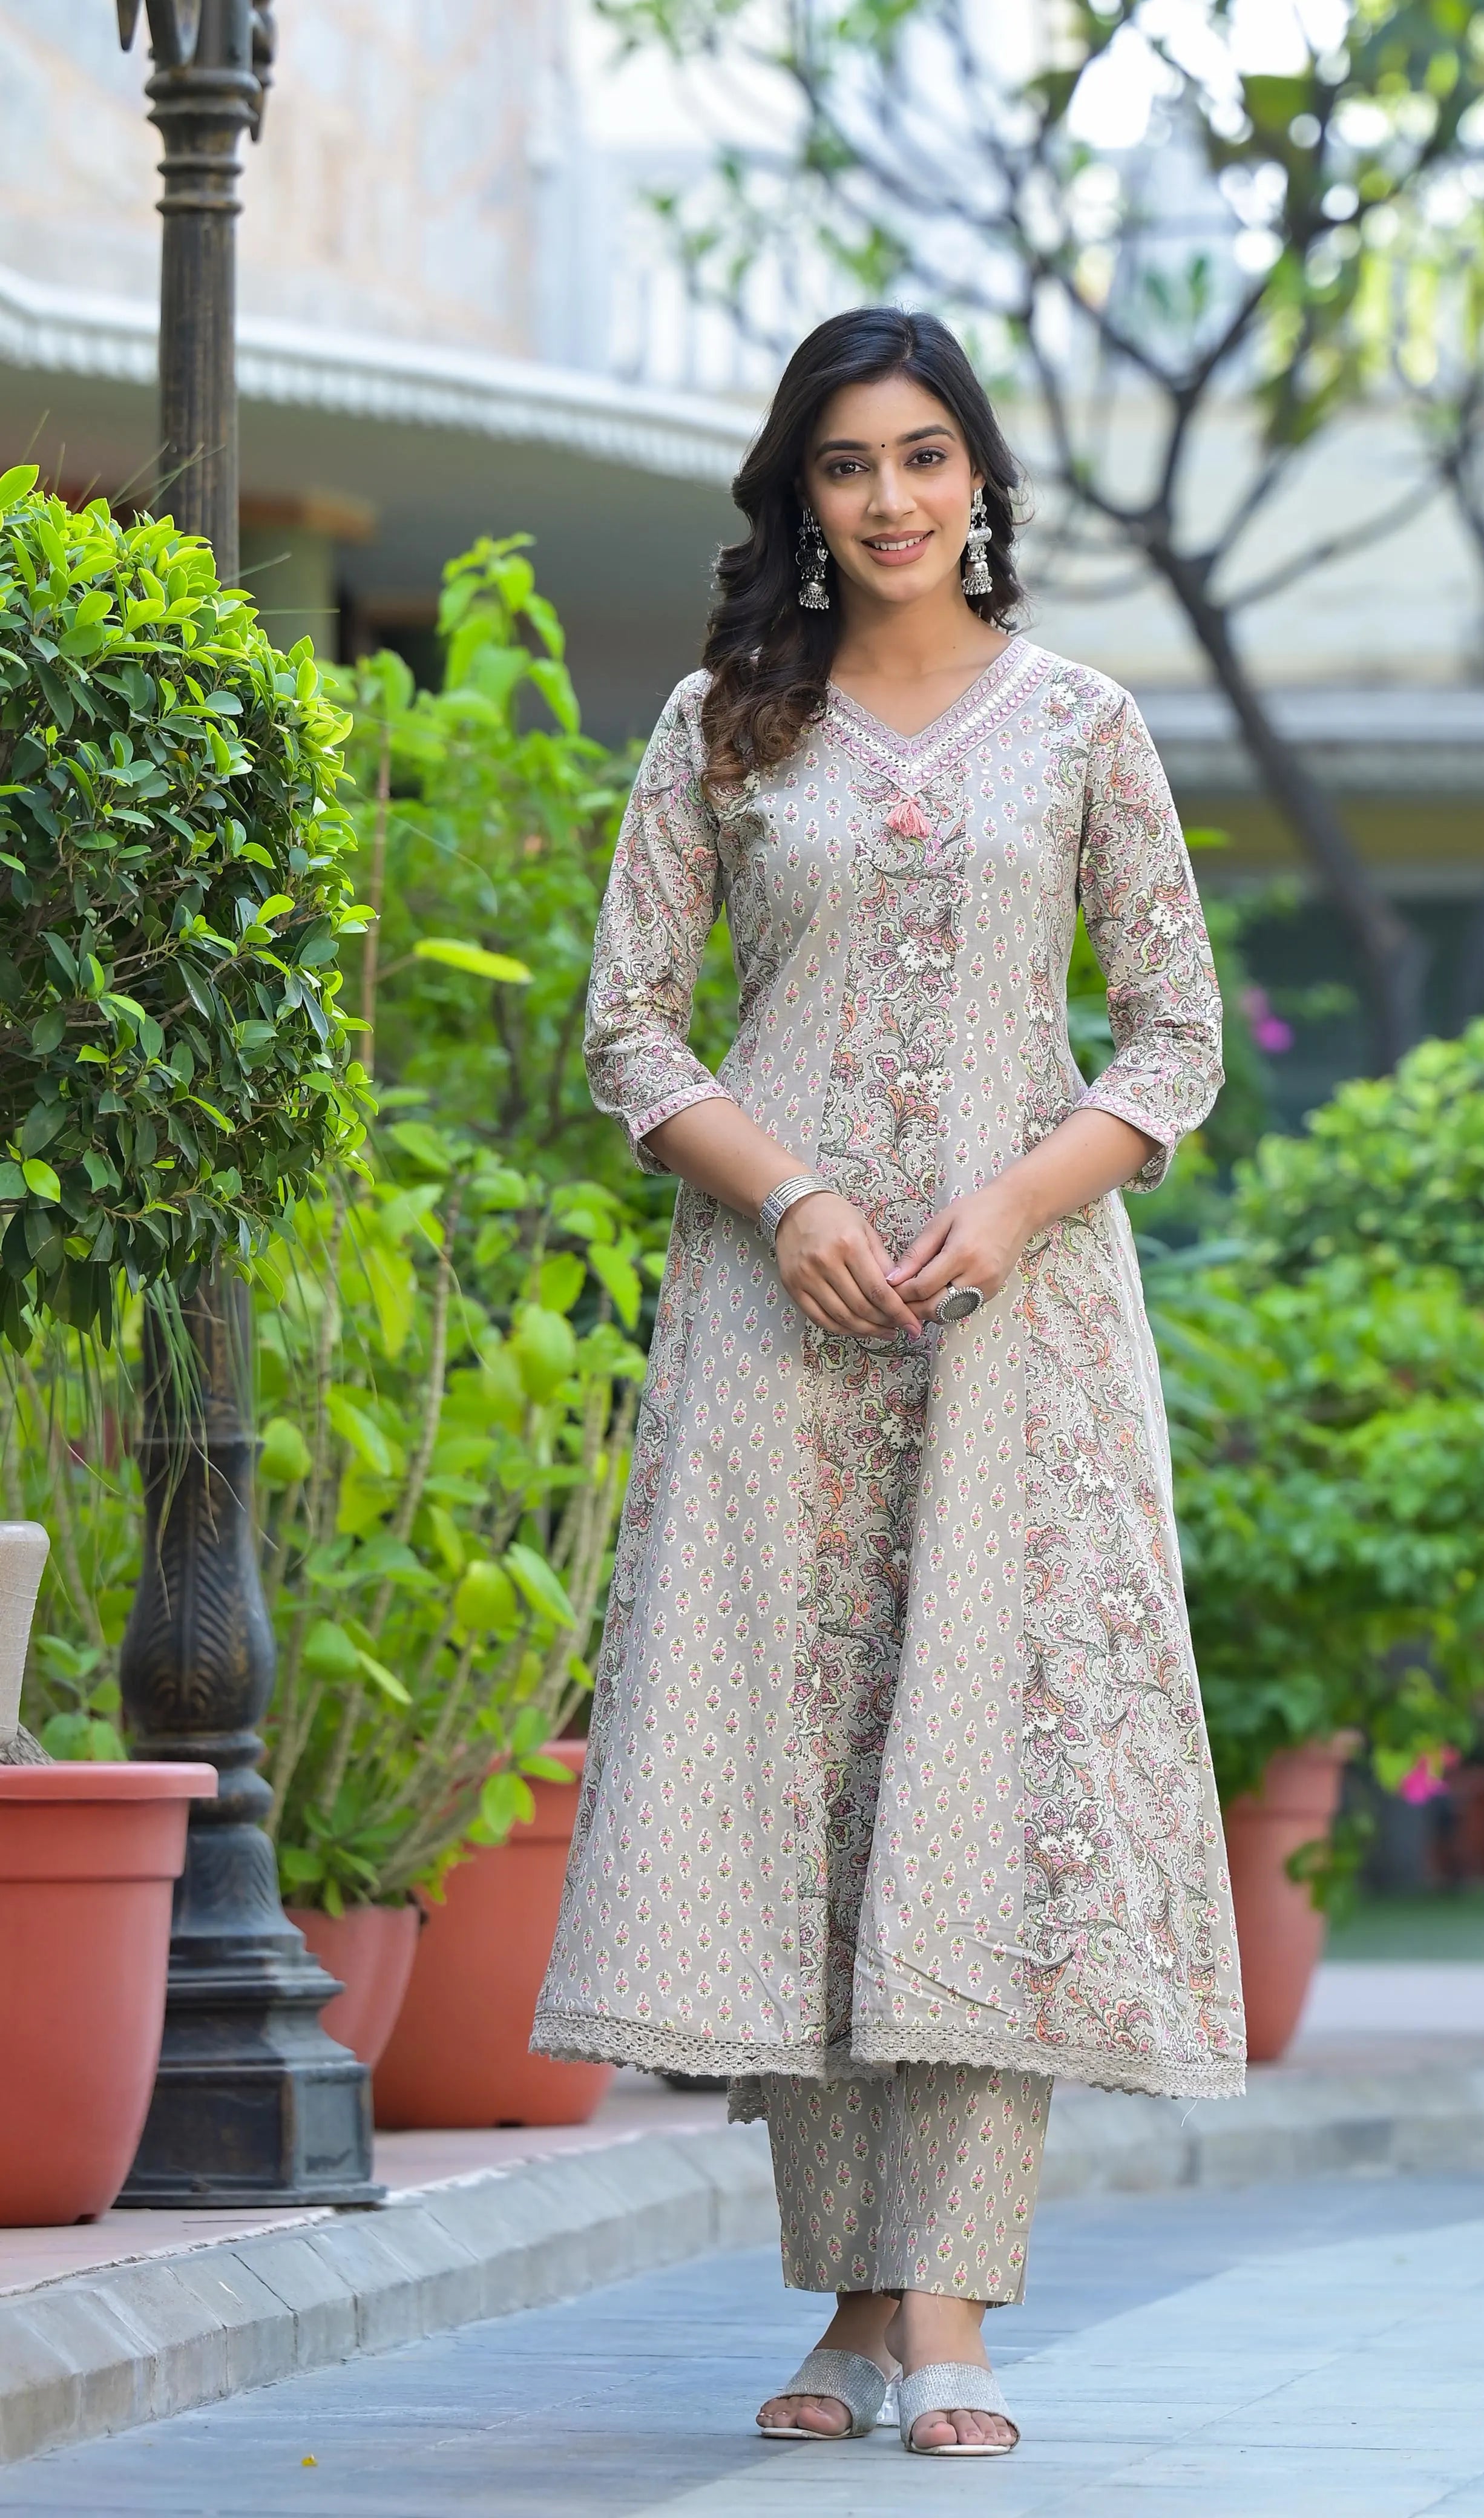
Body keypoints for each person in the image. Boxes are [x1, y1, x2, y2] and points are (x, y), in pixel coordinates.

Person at [533, 306, 1244, 2458]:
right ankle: (847, 2311)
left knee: (979, 1776)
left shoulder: (1087, 726)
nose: (893, 499)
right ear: (802, 502)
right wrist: (792, 1200)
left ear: (982, 478)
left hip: (1016, 1331)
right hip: (785, 1320)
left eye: (927, 456)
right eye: (849, 467)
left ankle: (950, 2313)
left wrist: (1020, 1205)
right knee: (809, 1780)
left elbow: (1178, 1037)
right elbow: (631, 1028)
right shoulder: (721, 728)